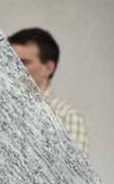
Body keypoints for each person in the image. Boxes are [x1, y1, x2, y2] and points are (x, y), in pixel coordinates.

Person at [9, 28, 89, 156]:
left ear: (49, 67)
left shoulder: (67, 117)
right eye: (9, 59)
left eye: (23, 62)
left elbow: (71, 174)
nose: (14, 66)